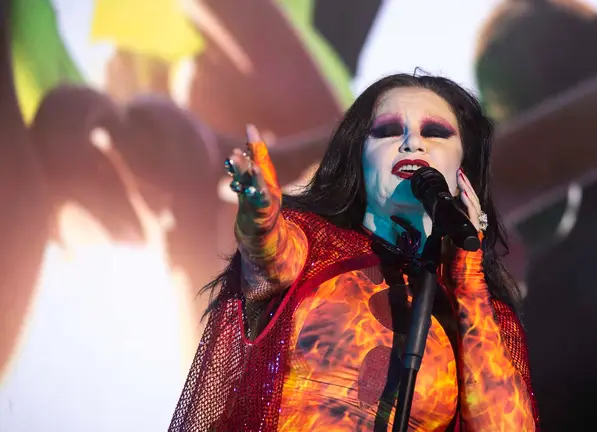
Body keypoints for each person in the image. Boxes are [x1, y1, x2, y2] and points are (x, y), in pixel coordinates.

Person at [169, 74, 539, 431]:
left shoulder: (484, 319)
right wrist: (261, 216)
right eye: (388, 131)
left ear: (464, 171)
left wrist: (468, 282)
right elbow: (269, 257)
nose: (412, 143)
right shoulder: (314, 246)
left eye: (435, 132)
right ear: (359, 160)